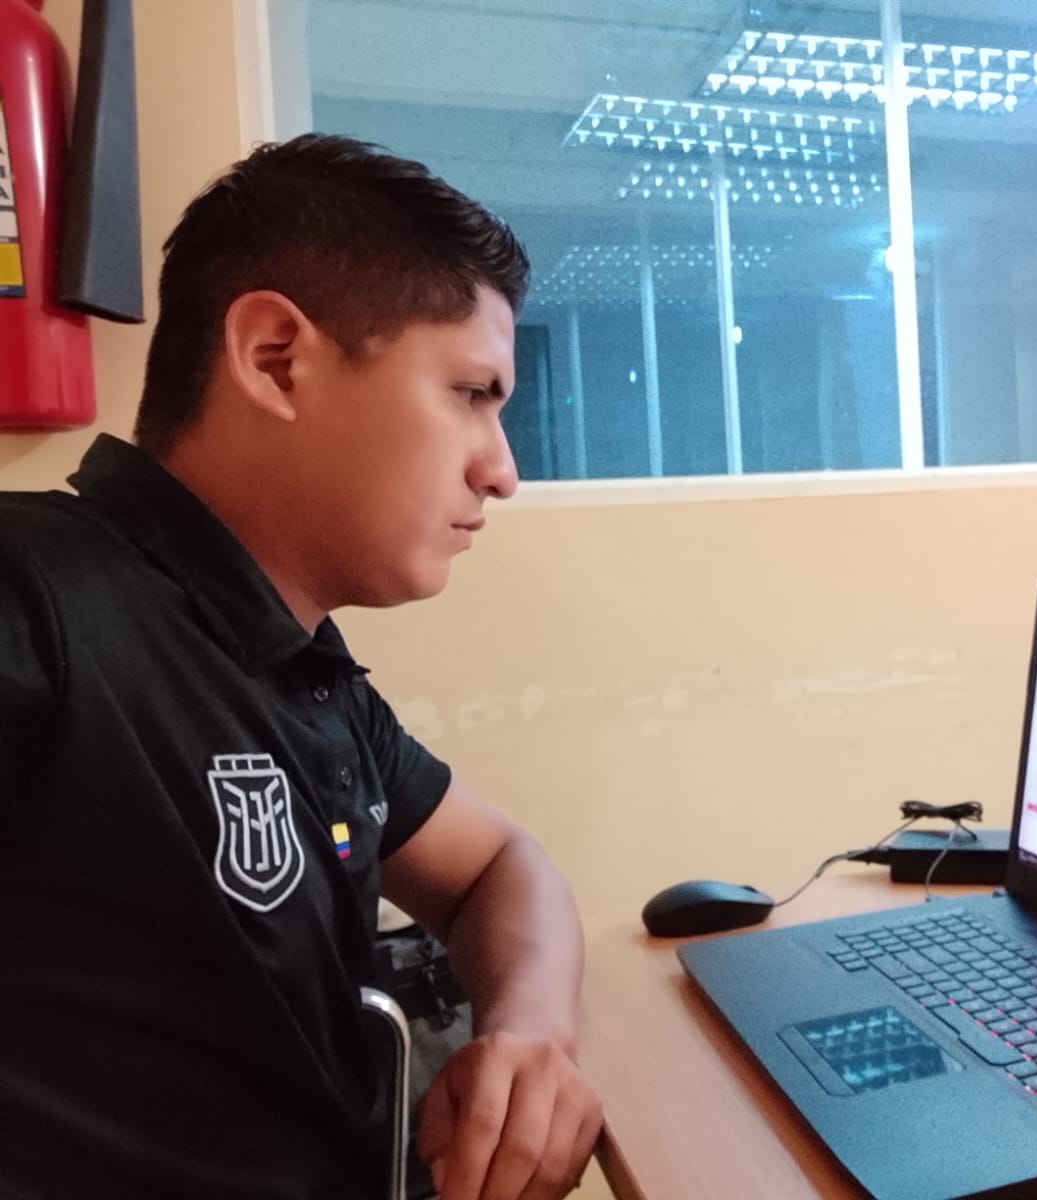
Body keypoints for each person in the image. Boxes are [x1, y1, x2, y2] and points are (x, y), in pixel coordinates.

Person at [0, 134, 602, 1200]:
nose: (502, 469)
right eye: (470, 393)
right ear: (275, 358)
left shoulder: (303, 675)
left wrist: (532, 1035)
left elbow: (500, 866)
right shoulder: (35, 597)